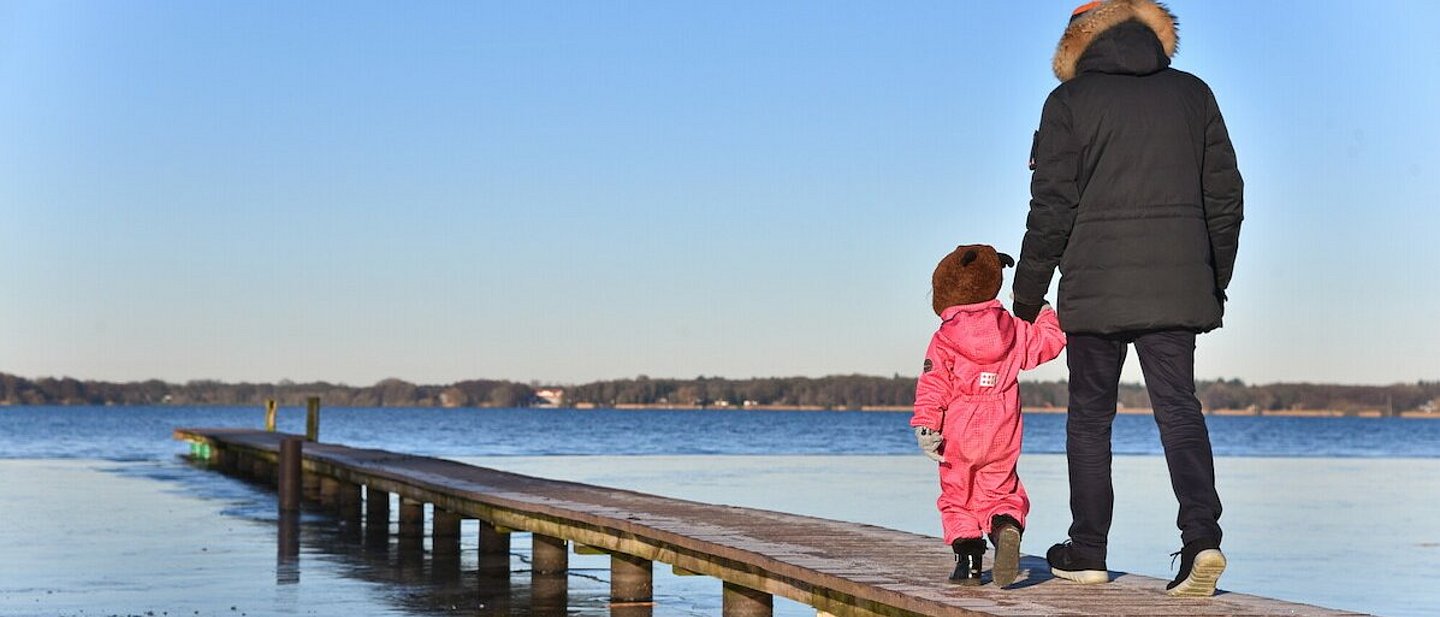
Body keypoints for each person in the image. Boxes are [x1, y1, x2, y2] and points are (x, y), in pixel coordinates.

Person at [1011, 0, 1244, 598]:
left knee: (1091, 417)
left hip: (1094, 287)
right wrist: (1212, 276)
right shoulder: (1193, 94)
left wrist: (1028, 294)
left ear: (1078, 42)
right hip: (1177, 284)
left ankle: (1087, 550)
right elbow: (1226, 197)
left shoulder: (1067, 104)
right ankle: (1202, 541)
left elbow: (1051, 207)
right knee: (1178, 409)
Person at [912, 244, 1066, 587]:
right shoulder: (1011, 328)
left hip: (960, 421)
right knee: (1000, 486)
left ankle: (968, 563)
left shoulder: (945, 337)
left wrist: (926, 424)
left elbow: (934, 382)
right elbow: (1050, 342)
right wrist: (1043, 311)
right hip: (1003, 420)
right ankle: (1005, 525)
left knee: (957, 493)